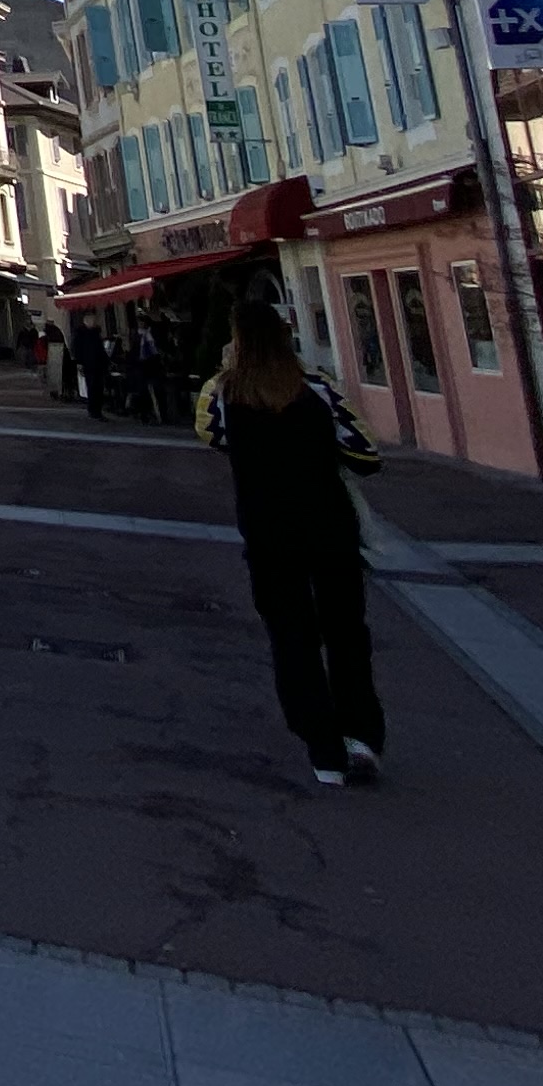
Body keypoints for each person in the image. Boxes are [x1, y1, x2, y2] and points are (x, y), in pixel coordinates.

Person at [202, 300, 388, 788]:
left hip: (268, 531)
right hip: (329, 527)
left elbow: (212, 436)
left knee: (292, 639)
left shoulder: (222, 394)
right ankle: (360, 737)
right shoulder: (318, 388)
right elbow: (366, 454)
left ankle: (323, 751)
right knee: (346, 633)